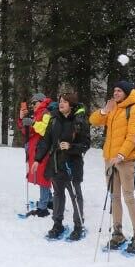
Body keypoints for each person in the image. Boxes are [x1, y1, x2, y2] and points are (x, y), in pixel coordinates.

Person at [89, 80, 135, 253]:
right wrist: (104, 110)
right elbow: (93, 120)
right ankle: (118, 232)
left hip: (125, 160)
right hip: (110, 159)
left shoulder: (134, 109)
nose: (116, 93)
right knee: (114, 197)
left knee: (128, 196)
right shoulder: (114, 108)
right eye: (114, 90)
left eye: (119, 91)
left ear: (127, 93)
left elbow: (133, 135)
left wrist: (121, 154)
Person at [35, 90, 90, 241]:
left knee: (75, 195)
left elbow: (86, 144)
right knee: (58, 195)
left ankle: (78, 226)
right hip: (56, 163)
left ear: (71, 105)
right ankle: (57, 224)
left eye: (65, 102)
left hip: (72, 164)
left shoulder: (79, 121)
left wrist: (71, 146)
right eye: (60, 101)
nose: (61, 104)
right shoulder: (54, 119)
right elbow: (45, 140)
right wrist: (37, 159)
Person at [18, 93, 54, 216]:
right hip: (36, 149)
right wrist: (23, 119)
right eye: (31, 103)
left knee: (43, 177)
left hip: (43, 150)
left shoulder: (45, 113)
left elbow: (45, 130)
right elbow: (27, 132)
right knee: (40, 175)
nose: (32, 105)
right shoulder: (38, 113)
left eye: (34, 103)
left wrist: (32, 123)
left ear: (41, 101)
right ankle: (49, 200)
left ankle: (43, 207)